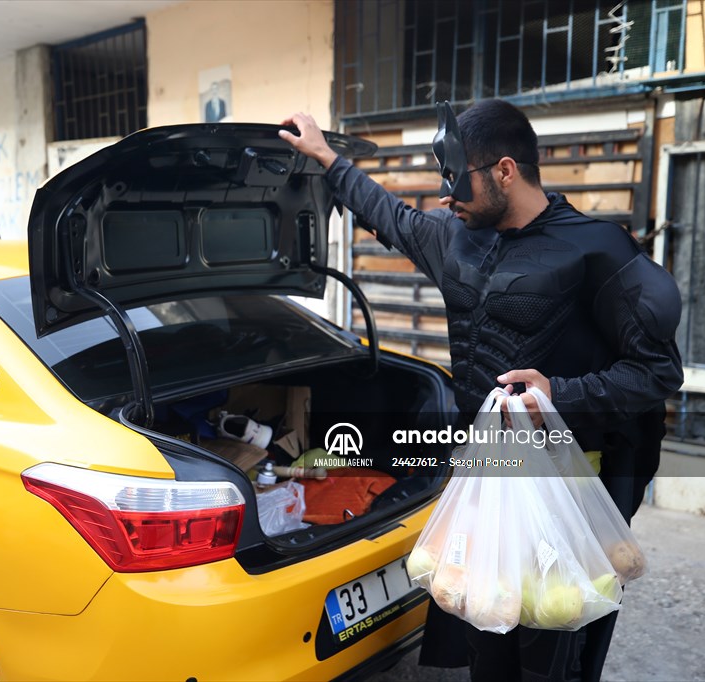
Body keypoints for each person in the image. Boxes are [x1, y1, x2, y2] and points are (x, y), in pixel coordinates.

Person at [279, 100, 684, 681]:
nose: (446, 196)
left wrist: (558, 392)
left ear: (504, 170)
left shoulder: (599, 250)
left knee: (553, 644)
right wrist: (325, 157)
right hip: (486, 476)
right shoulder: (456, 238)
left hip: (567, 486)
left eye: (455, 178)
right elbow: (389, 215)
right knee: (483, 631)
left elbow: (659, 373)